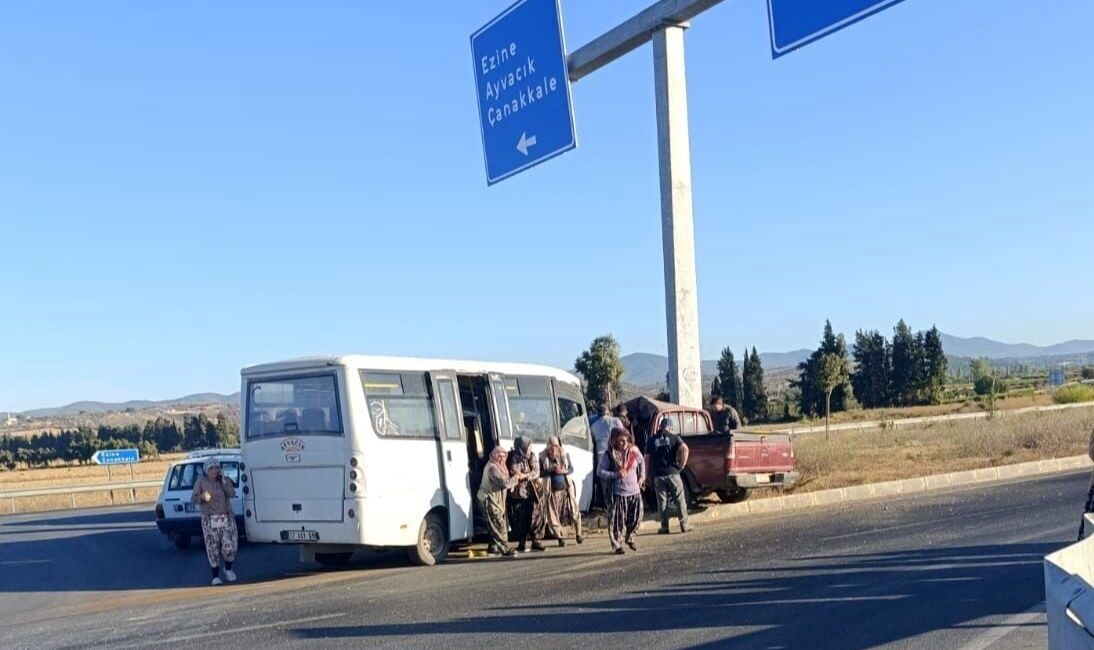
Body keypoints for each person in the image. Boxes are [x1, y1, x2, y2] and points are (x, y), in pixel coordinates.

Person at [597, 427, 645, 554]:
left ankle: (630, 537)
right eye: (620, 441)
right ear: (614, 441)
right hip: (618, 493)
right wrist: (616, 474)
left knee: (636, 518)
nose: (624, 444)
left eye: (626, 440)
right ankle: (618, 545)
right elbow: (600, 472)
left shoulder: (634, 451)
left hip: (634, 491)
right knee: (618, 521)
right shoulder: (609, 455)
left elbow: (641, 462)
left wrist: (641, 477)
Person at [191, 458, 238, 585]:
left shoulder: (224, 480)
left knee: (230, 546)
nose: (214, 470)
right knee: (213, 547)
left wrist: (224, 481)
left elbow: (232, 494)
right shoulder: (201, 481)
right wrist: (201, 497)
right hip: (209, 519)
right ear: (206, 470)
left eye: (216, 468)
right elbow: (193, 498)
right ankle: (215, 576)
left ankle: (228, 569)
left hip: (226, 518)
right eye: (211, 468)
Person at [645, 417, 692, 534]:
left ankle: (664, 527)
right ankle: (684, 524)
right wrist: (681, 465)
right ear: (670, 428)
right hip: (673, 473)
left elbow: (646, 459)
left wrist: (646, 475)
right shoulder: (674, 437)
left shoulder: (651, 440)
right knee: (679, 499)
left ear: (660, 427)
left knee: (662, 501)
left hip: (658, 475)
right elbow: (685, 449)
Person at [539, 436, 584, 547]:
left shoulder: (565, 455)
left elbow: (571, 469)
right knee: (553, 515)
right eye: (551, 447)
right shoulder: (542, 457)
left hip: (566, 488)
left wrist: (563, 471)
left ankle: (578, 533)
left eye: (556, 447)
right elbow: (539, 473)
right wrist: (550, 470)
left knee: (573, 510)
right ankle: (560, 538)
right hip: (551, 491)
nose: (553, 450)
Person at [478, 446, 520, 557]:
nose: (501, 459)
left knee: (494, 524)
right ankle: (505, 548)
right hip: (488, 500)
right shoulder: (492, 468)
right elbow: (504, 483)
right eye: (499, 456)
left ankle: (493, 547)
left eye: (503, 456)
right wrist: (516, 478)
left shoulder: (500, 467)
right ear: (495, 456)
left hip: (495, 500)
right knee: (499, 525)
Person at [507, 436, 546, 552]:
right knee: (519, 519)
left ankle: (536, 540)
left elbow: (536, 472)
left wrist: (525, 475)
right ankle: (521, 542)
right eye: (528, 447)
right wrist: (523, 474)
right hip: (518, 494)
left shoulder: (532, 456)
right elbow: (514, 472)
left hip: (532, 492)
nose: (530, 449)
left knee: (536, 516)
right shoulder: (514, 457)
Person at [590, 404, 622, 509]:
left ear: (598, 414)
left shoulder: (594, 426)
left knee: (604, 482)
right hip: (615, 454)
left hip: (601, 455)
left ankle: (608, 505)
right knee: (618, 477)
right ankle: (619, 503)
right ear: (607, 411)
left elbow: (593, 442)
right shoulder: (616, 421)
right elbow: (623, 434)